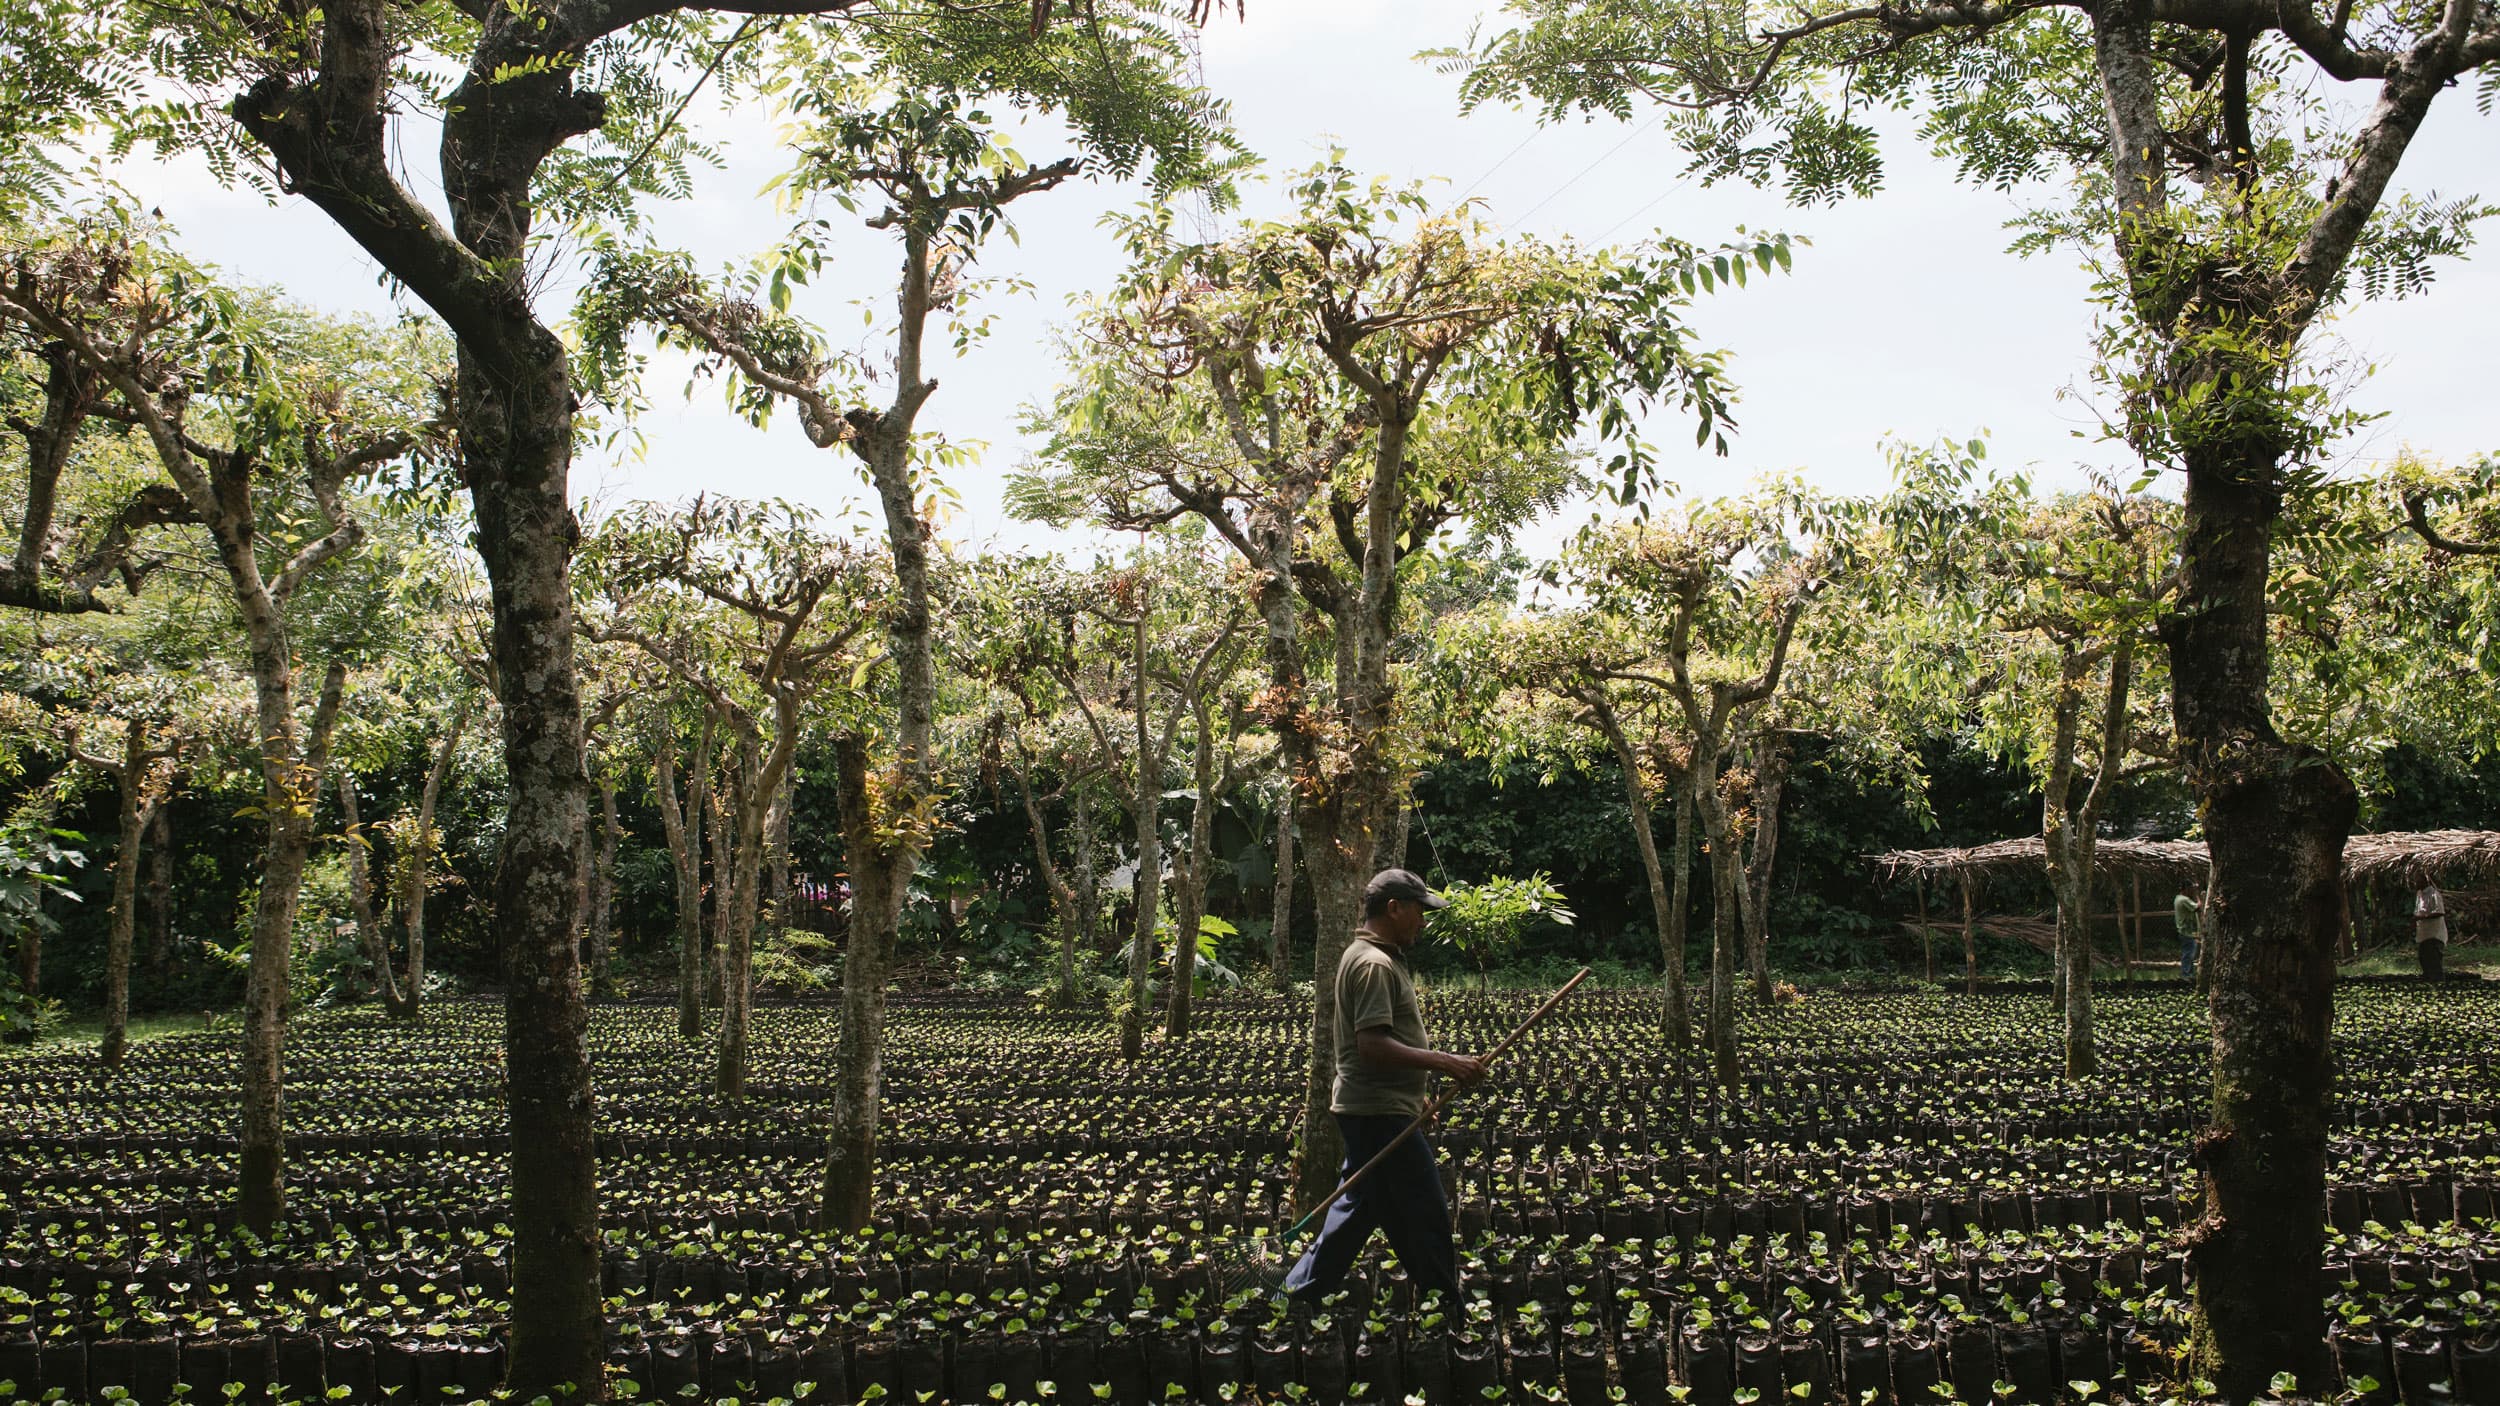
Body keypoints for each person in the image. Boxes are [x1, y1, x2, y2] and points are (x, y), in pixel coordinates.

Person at [1282, 867, 1486, 1307]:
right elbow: (1372, 1045)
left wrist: (1412, 1097)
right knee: (1426, 1214)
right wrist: (1446, 1062)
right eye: (1419, 911)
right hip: (1376, 1115)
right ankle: (1447, 1311)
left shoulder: (1366, 955)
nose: (1423, 922)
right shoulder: (1373, 964)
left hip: (1378, 1109)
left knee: (1356, 1215)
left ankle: (1288, 1299)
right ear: (1394, 908)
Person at [2415, 882, 2449, 979]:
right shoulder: (2420, 894)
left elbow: (2440, 912)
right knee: (2425, 962)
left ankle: (2438, 986)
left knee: (2434, 965)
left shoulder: (2434, 894)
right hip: (2423, 935)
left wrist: (2422, 917)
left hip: (2434, 935)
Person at [2173, 891, 2200, 980]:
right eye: (2190, 888)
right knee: (2188, 953)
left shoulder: (2177, 898)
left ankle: (2189, 974)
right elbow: (2197, 907)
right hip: (2186, 931)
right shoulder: (2184, 899)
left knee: (2189, 953)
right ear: (2186, 888)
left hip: (2184, 930)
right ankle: (2186, 974)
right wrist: (2198, 895)